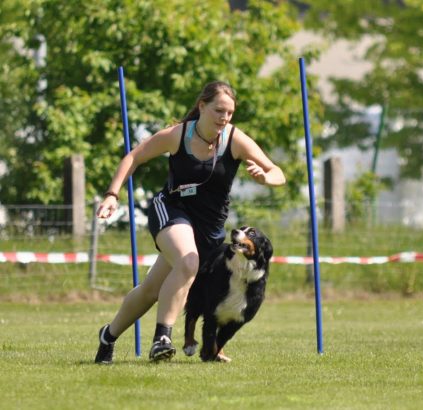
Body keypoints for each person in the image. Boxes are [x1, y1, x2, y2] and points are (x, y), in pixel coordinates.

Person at [94, 81, 286, 364]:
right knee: (189, 261)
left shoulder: (235, 139)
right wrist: (112, 194)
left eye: (230, 113)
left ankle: (107, 336)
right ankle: (162, 338)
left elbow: (278, 172)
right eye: (219, 110)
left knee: (151, 291)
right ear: (202, 107)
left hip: (208, 229)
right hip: (171, 209)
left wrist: (265, 177)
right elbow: (133, 157)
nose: (225, 118)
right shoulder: (177, 135)